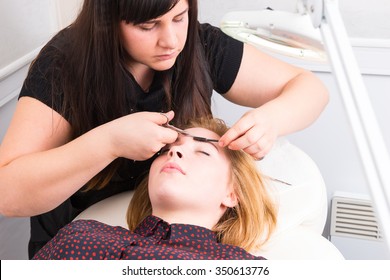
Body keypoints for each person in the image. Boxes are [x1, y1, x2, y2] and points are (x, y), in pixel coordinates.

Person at [0, 0, 328, 258]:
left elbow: (310, 89)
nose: (170, 40)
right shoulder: (63, 66)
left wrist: (271, 119)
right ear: (108, 21)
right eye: (148, 25)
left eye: (180, 17)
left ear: (232, 195)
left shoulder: (200, 44)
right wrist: (109, 142)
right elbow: (7, 192)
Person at [33, 118, 277, 260]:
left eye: (203, 151)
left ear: (232, 194)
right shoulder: (80, 235)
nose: (174, 151)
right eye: (165, 150)